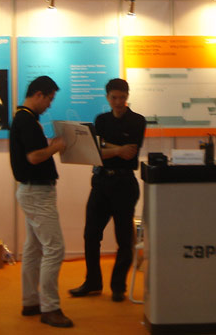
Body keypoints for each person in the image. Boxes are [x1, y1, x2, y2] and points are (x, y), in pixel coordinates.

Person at [69, 78, 146, 302]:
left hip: (124, 184)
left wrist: (106, 147)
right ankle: (93, 282)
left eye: (122, 97)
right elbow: (94, 151)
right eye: (114, 98)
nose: (118, 102)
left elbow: (130, 153)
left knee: (124, 239)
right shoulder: (101, 120)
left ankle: (118, 286)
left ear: (127, 96)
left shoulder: (138, 121)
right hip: (101, 182)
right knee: (91, 234)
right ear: (107, 98)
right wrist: (117, 149)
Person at [9, 75, 73, 328]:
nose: (49, 105)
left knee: (34, 248)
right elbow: (34, 157)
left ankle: (31, 301)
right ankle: (50, 307)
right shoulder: (27, 120)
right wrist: (56, 146)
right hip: (37, 192)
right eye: (49, 99)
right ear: (38, 95)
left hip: (31, 190)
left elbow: (33, 154)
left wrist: (51, 146)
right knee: (54, 248)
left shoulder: (24, 118)